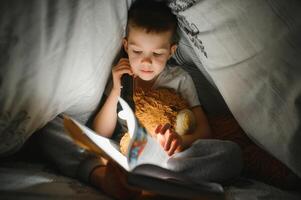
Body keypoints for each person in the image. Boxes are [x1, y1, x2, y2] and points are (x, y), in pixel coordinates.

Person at [91, 0, 242, 199]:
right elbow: (100, 132)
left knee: (231, 153)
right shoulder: (121, 78)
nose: (146, 61)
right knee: (71, 137)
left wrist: (180, 141)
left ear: (171, 51)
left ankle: (158, 182)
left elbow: (205, 131)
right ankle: (154, 182)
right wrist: (115, 89)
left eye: (157, 53)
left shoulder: (180, 79)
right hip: (131, 155)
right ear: (126, 46)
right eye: (137, 52)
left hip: (174, 159)